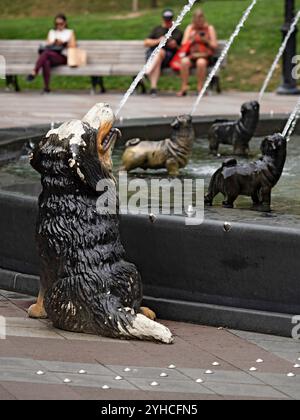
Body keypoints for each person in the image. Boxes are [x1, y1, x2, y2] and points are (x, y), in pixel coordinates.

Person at [27, 14, 76, 93]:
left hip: (63, 56)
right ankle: (46, 88)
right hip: (51, 55)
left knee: (46, 54)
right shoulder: (52, 32)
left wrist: (63, 43)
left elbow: (73, 45)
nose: (59, 26)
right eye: (57, 24)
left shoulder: (69, 32)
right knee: (46, 61)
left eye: (61, 24)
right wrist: (54, 42)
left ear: (65, 23)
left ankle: (34, 72)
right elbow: (48, 44)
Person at [177, 9, 218, 97]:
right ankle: (184, 87)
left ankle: (200, 87)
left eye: (200, 19)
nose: (198, 21)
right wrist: (191, 39)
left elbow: (214, 45)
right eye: (196, 19)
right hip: (192, 55)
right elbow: (183, 44)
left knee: (201, 62)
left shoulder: (209, 28)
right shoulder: (190, 28)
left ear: (203, 19)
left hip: (204, 56)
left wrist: (205, 41)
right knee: (184, 62)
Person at [144, 9, 183, 96]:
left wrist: (175, 45)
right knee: (158, 57)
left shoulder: (177, 32)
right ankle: (153, 88)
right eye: (166, 19)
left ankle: (147, 72)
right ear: (163, 19)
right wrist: (158, 40)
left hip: (168, 57)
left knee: (160, 52)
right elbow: (146, 42)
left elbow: (182, 48)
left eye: (169, 19)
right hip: (152, 55)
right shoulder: (157, 29)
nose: (168, 21)